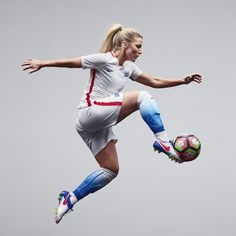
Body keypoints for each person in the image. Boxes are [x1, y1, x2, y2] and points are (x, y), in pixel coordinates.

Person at [22, 23, 202, 224]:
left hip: (96, 125)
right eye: (138, 46)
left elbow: (155, 81)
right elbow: (73, 62)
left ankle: (70, 198)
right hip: (90, 112)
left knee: (111, 170)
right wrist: (42, 63)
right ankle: (163, 141)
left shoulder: (128, 68)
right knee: (142, 97)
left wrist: (182, 81)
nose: (140, 51)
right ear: (125, 44)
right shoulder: (105, 59)